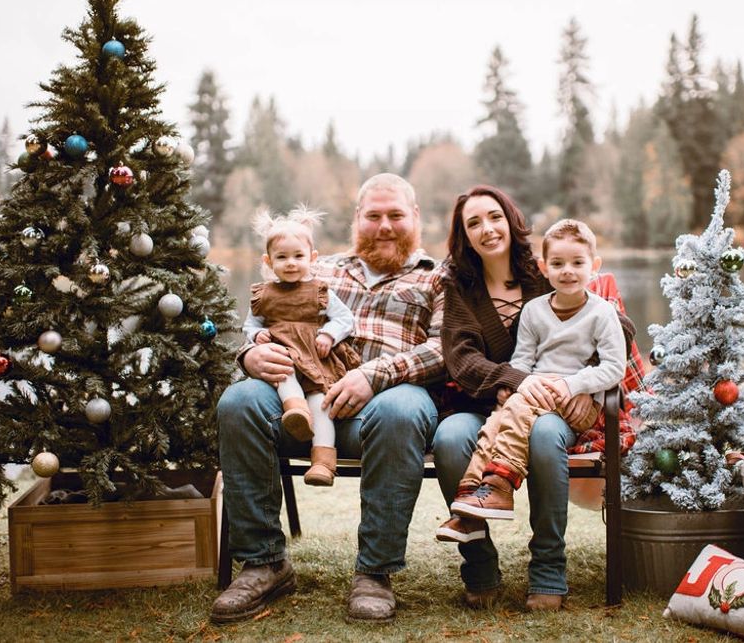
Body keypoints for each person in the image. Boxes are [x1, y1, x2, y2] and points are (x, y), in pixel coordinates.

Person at [212, 173, 446, 625]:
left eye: (395, 215)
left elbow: (442, 350)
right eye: (373, 216)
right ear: (358, 219)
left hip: (385, 406)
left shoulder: (436, 279)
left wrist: (372, 376)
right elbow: (261, 317)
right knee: (239, 402)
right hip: (299, 401)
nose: (384, 225)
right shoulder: (316, 269)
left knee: (402, 409)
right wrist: (251, 354)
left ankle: (374, 573)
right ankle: (264, 563)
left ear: (414, 217)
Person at [432, 186, 630, 612]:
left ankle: (547, 570)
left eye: (494, 217)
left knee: (543, 435)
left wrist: (584, 386)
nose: (487, 229)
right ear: (463, 236)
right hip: (485, 401)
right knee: (450, 439)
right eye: (474, 223)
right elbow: (461, 360)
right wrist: (513, 382)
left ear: (510, 220)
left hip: (557, 399)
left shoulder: (545, 272)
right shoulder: (461, 288)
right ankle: (477, 553)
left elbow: (618, 330)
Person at [443, 217, 625, 526]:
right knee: (496, 421)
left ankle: (500, 485)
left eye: (577, 262)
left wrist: (572, 385)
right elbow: (523, 360)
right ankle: (471, 497)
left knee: (512, 411)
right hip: (535, 393)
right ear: (544, 267)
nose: (567, 270)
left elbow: (614, 367)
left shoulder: (602, 312)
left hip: (578, 403)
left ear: (594, 265)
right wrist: (517, 384)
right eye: (558, 263)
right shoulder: (534, 310)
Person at [241, 205, 361, 486]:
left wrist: (329, 335)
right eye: (282, 257)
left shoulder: (320, 290)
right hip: (284, 359)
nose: (291, 263)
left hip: (316, 360)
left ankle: (322, 462)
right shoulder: (264, 294)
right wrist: (256, 337)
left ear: (312, 257)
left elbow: (345, 319)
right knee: (284, 373)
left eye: (298, 256)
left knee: (322, 405)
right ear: (269, 261)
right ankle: (296, 411)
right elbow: (250, 325)